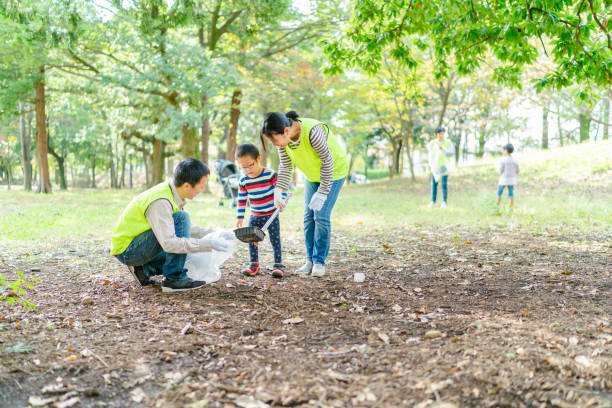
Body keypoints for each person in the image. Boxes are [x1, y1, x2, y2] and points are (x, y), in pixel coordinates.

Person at [111, 158, 233, 293]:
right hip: (129, 250)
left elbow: (182, 230)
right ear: (187, 185)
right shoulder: (161, 201)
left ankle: (144, 269)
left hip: (136, 246)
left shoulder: (171, 192)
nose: (203, 190)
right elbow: (169, 243)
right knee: (182, 224)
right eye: (201, 186)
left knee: (185, 251)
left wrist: (215, 232)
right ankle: (174, 279)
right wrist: (207, 244)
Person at [260, 111, 348, 277]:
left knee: (321, 216)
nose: (273, 144)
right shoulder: (284, 143)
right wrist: (279, 190)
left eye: (273, 139)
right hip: (312, 175)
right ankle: (310, 260)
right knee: (308, 217)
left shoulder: (313, 132)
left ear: (286, 131)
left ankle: (319, 261)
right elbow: (286, 167)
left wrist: (322, 192)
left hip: (333, 173)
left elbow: (328, 162)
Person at [235, 143, 286, 278]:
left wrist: (282, 201)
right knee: (252, 240)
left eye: (249, 165)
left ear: (258, 159)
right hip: (255, 216)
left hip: (271, 215)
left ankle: (278, 264)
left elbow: (281, 191)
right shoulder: (244, 181)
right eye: (243, 166)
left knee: (275, 239)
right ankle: (254, 264)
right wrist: (239, 218)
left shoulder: (270, 175)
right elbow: (241, 201)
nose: (247, 169)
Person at [427, 126, 454, 208]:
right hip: (435, 167)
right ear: (436, 134)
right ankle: (433, 201)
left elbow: (451, 154)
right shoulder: (432, 143)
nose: (441, 135)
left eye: (442, 134)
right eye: (439, 134)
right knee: (434, 184)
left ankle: (444, 201)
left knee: (444, 184)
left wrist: (443, 149)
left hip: (444, 166)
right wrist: (431, 165)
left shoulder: (448, 143)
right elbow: (430, 154)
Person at [496, 143, 520, 209]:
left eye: (503, 150)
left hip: (503, 179)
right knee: (511, 194)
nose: (503, 152)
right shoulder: (515, 161)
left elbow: (500, 170)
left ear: (506, 151)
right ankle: (511, 208)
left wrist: (498, 171)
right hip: (512, 180)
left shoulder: (502, 160)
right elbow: (518, 171)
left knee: (499, 192)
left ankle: (497, 206)